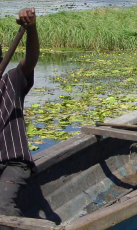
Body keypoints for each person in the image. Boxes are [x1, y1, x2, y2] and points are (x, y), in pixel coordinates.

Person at [0, 7, 39, 229]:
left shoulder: (11, 81)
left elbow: (31, 59)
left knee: (2, 210)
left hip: (13, 163)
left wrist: (31, 29)